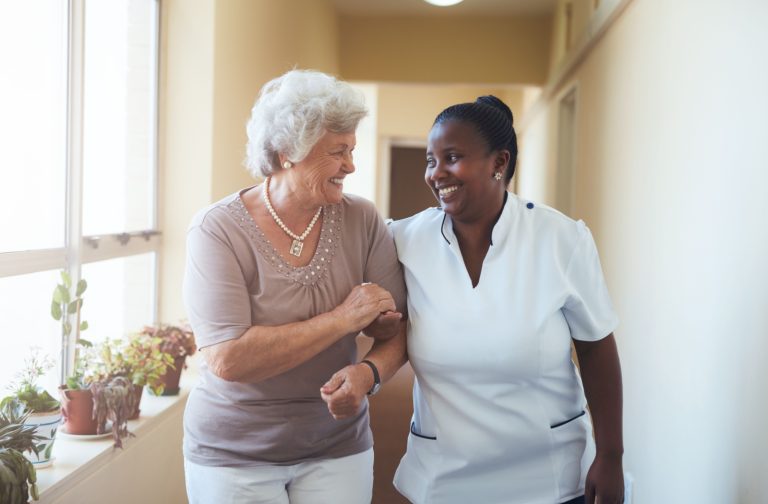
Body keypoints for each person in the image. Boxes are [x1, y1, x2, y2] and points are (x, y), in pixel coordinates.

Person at [323, 96, 624, 504]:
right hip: (445, 476)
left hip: (549, 475)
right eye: (431, 160)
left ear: (499, 163)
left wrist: (610, 455)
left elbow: (596, 349)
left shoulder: (560, 240)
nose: (436, 173)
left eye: (452, 157)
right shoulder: (403, 240)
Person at [182, 69, 407, 504]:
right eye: (338, 151)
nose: (351, 165)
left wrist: (369, 372)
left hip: (338, 444)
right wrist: (344, 319)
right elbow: (229, 358)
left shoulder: (362, 219)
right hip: (234, 453)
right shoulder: (217, 230)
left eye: (353, 149)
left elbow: (396, 331)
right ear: (288, 151)